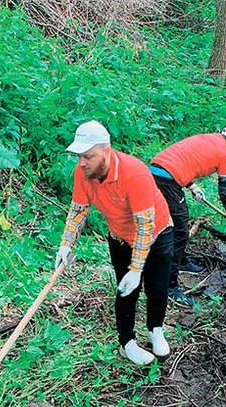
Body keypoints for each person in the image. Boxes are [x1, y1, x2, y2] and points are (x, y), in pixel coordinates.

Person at [55, 120, 174, 365]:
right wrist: (66, 244)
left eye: (88, 156)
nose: (82, 163)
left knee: (158, 287)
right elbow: (78, 210)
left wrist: (137, 268)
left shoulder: (134, 173)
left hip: (157, 232)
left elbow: (145, 227)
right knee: (125, 290)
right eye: (79, 156)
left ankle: (156, 330)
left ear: (106, 151)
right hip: (120, 237)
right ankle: (127, 342)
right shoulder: (84, 173)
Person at [149, 124, 226, 307]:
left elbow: (184, 161)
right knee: (180, 230)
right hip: (166, 179)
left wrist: (192, 187)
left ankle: (181, 261)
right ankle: (170, 287)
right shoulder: (225, 155)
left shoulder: (207, 137)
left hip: (156, 170)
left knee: (175, 223)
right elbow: (225, 188)